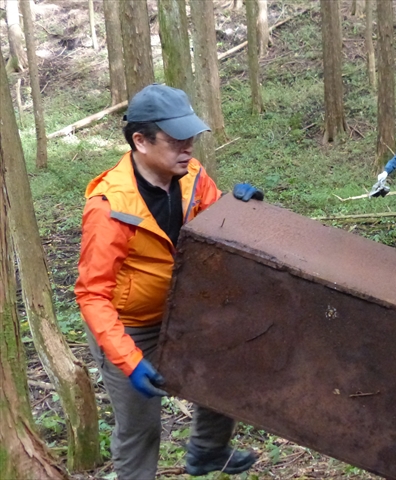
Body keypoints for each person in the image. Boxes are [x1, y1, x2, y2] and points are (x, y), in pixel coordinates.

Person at [75, 84, 263, 480]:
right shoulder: (110, 208)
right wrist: (130, 361)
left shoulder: (192, 175)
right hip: (127, 325)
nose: (188, 147)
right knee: (140, 429)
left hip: (181, 307)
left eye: (190, 137)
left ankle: (208, 451)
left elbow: (213, 225)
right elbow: (92, 295)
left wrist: (238, 207)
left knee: (225, 360)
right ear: (140, 141)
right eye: (176, 140)